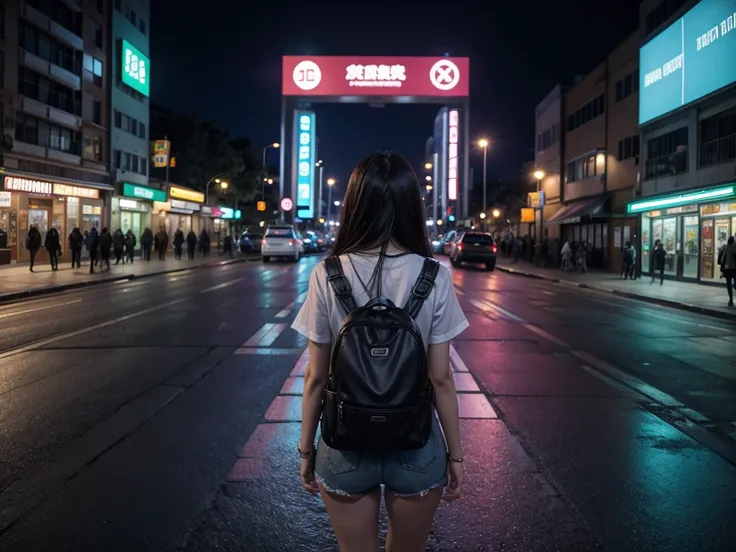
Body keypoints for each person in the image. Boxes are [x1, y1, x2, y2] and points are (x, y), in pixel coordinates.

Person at [292, 152, 467, 551]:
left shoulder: (327, 272)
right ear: (411, 206)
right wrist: (454, 456)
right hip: (417, 439)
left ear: (355, 204)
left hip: (345, 441)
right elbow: (441, 377)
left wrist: (307, 450)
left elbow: (316, 377)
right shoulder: (433, 274)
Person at [718, 236, 736, 307]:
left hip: (727, 269)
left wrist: (722, 269)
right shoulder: (734, 247)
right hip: (734, 269)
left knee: (728, 285)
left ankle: (731, 299)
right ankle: (734, 286)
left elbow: (721, 257)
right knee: (734, 283)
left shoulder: (725, 247)